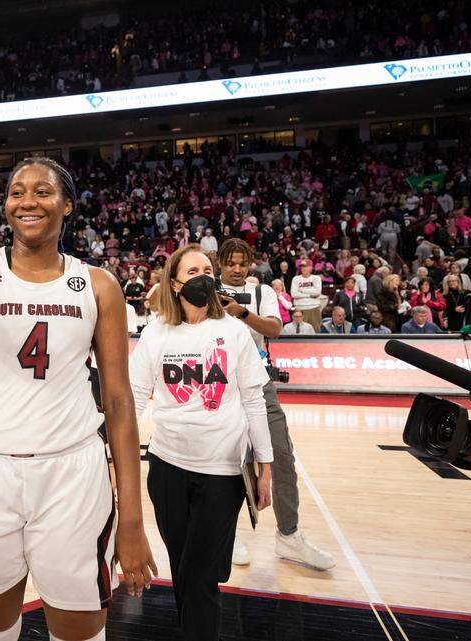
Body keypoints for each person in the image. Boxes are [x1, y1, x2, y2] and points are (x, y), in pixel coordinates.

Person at [0, 156, 157, 641]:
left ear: (67, 205)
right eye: (17, 191)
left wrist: (133, 521)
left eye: (42, 191)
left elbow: (119, 405)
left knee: (78, 631)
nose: (27, 201)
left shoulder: (98, 285)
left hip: (72, 474)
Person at [131, 244, 274, 641]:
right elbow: (136, 397)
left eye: (207, 269)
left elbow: (253, 399)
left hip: (221, 472)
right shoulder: (155, 331)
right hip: (166, 468)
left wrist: (265, 467)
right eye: (193, 270)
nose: (204, 276)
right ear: (175, 283)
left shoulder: (232, 331)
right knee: (185, 568)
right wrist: (115, 456)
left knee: (199, 575)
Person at [215, 239, 334, 571]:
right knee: (227, 463)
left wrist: (240, 311)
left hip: (257, 381)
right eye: (231, 263)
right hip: (217, 383)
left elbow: (274, 329)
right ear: (220, 263)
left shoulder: (261, 292)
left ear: (251, 263)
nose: (237, 269)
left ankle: (289, 535)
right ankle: (226, 536)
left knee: (281, 456)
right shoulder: (206, 288)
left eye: (243, 263)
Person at [290, 259, 324, 331]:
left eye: (305, 266)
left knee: (316, 331)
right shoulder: (296, 279)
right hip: (300, 309)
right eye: (302, 267)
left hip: (314, 308)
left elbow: (317, 292)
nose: (303, 268)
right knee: (300, 332)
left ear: (311, 267)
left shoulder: (316, 278)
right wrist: (310, 295)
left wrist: (302, 290)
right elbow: (294, 294)